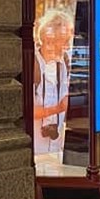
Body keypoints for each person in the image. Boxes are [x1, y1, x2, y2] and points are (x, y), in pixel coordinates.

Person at [33, 10, 74, 155]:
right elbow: (27, 111)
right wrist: (58, 108)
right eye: (64, 41)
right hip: (36, 149)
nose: (68, 46)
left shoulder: (64, 63)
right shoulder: (32, 65)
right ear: (49, 40)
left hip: (56, 148)